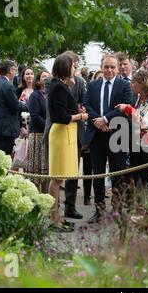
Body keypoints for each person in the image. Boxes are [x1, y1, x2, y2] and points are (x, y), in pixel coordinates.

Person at [83, 54, 134, 223]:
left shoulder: (125, 86)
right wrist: (97, 121)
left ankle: (117, 210)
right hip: (97, 136)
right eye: (106, 67)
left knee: (117, 175)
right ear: (101, 67)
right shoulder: (93, 85)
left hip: (117, 135)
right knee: (97, 174)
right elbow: (87, 104)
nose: (109, 70)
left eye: (113, 67)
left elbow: (126, 105)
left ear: (118, 68)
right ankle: (99, 210)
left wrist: (105, 119)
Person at [47, 54, 88, 232]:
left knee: (59, 177)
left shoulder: (61, 86)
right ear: (65, 67)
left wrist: (76, 109)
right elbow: (61, 117)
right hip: (62, 134)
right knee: (57, 179)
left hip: (66, 135)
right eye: (73, 66)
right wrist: (81, 116)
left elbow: (65, 109)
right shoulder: (58, 88)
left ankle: (58, 217)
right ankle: (54, 218)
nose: (75, 69)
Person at [116, 69, 148, 186]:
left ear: (143, 83)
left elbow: (144, 123)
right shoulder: (139, 98)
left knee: (144, 180)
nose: (130, 84)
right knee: (136, 179)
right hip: (137, 145)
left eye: (133, 82)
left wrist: (127, 108)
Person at [59, 51, 88, 220]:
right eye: (73, 64)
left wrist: (80, 109)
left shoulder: (80, 81)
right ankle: (52, 206)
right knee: (53, 171)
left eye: (76, 64)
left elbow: (83, 101)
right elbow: (56, 108)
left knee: (72, 169)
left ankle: (70, 206)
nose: (75, 67)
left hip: (75, 129)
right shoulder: (52, 82)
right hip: (57, 129)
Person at [0, 60, 28, 155]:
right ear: (10, 70)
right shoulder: (7, 86)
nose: (15, 73)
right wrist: (26, 105)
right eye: (15, 70)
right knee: (5, 158)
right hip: (7, 128)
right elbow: (15, 105)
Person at [26, 71, 50, 192]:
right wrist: (49, 127)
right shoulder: (34, 96)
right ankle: (35, 196)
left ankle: (45, 195)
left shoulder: (49, 95)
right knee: (36, 169)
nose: (46, 79)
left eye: (48, 76)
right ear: (38, 80)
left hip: (47, 136)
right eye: (43, 77)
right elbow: (34, 116)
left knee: (46, 168)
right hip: (37, 135)